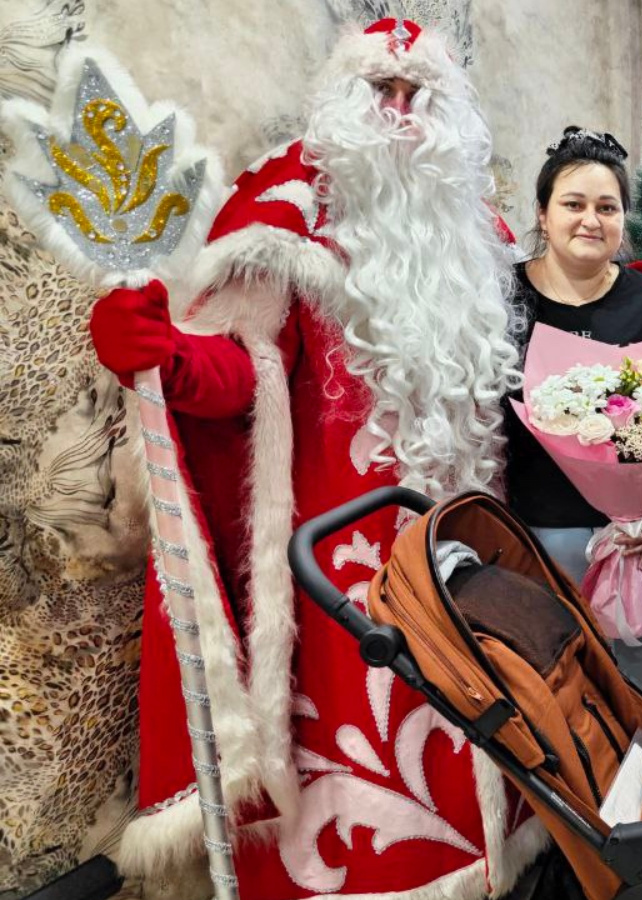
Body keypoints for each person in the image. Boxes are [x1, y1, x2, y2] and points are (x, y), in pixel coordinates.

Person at [87, 19, 544, 899]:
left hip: (468, 550)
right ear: (343, 99)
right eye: (382, 91)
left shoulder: (475, 224)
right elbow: (239, 374)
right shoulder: (287, 212)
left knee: (475, 728)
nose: (402, 111)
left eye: (420, 95)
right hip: (339, 566)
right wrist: (167, 355)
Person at [501, 126, 642, 704]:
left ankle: (638, 767)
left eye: (607, 208)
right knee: (557, 700)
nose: (591, 220)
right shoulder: (505, 302)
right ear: (542, 215)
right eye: (574, 204)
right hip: (542, 540)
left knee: (637, 697)